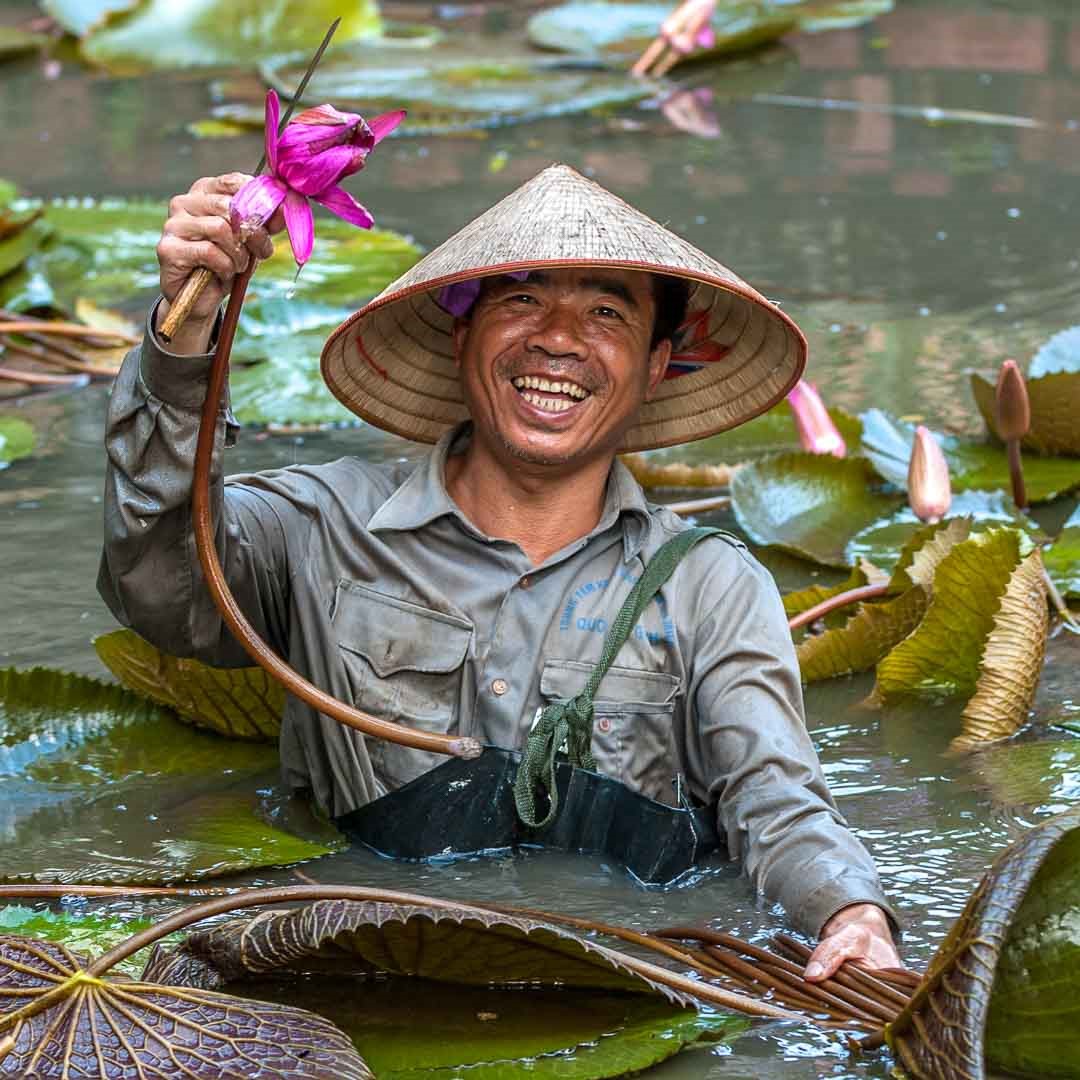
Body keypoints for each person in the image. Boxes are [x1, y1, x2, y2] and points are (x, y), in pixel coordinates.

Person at [99, 163, 900, 981]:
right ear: (461, 338)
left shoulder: (708, 586)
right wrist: (184, 336)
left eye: (605, 311)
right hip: (357, 972)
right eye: (521, 300)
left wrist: (852, 916)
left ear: (657, 367)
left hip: (626, 985)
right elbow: (158, 589)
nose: (558, 339)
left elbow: (776, 797)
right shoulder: (322, 522)